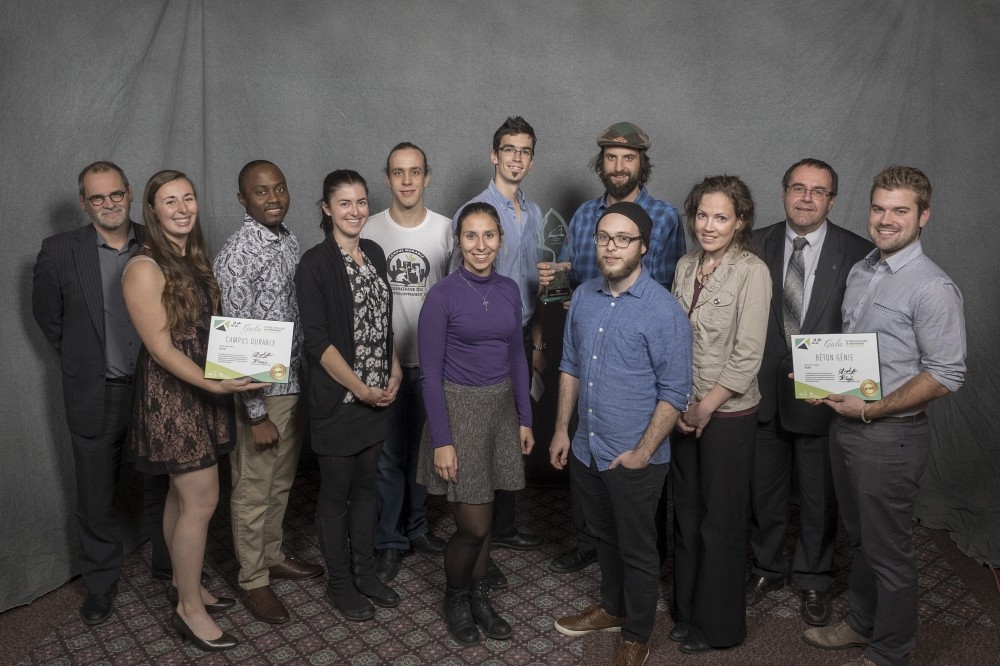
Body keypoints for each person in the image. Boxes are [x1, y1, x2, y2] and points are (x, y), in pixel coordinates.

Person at [802, 166, 966, 666]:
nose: (886, 219)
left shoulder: (932, 287)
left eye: (900, 210)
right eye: (878, 208)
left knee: (888, 550)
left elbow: (946, 374)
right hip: (848, 427)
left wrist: (871, 409)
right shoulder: (862, 270)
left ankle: (890, 652)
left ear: (923, 216)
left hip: (891, 438)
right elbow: (859, 357)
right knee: (862, 539)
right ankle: (862, 624)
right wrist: (821, 380)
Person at [123, 170, 266, 651]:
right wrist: (215, 384)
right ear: (152, 210)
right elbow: (161, 348)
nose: (182, 208)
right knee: (201, 502)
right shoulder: (144, 267)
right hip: (174, 397)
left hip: (203, 388)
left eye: (188, 198)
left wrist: (245, 361)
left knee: (180, 499)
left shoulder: (191, 256)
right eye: (170, 201)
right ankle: (189, 608)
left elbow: (209, 332)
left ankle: (181, 583)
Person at [540, 121, 687, 575]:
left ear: (642, 164)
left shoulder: (664, 216)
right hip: (587, 341)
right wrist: (554, 281)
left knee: (638, 470)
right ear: (600, 163)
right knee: (588, 451)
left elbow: (674, 286)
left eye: (629, 158)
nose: (619, 166)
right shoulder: (584, 216)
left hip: (637, 350)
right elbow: (571, 278)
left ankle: (643, 559)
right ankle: (590, 543)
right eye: (611, 157)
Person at [550, 202, 692, 666]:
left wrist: (642, 453)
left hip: (634, 457)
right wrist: (562, 430)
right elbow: (570, 364)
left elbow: (675, 392)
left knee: (637, 549)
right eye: (604, 237)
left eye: (623, 239)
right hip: (587, 447)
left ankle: (637, 633)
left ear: (644, 247)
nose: (611, 247)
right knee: (602, 537)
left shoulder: (664, 311)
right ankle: (612, 609)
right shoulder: (584, 296)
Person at [32, 161, 172, 625]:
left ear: (129, 193)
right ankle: (100, 585)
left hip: (157, 391)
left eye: (116, 194)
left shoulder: (157, 242)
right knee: (95, 497)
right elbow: (49, 319)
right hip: (97, 391)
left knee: (166, 486)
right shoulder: (58, 251)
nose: (109, 204)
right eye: (98, 197)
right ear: (83, 203)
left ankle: (172, 569)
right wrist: (86, 360)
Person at [747, 159, 872, 626]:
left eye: (818, 191)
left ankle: (814, 577)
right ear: (783, 192)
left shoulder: (858, 252)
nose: (806, 198)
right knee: (763, 492)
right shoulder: (752, 243)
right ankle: (765, 568)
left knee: (820, 498)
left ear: (832, 201)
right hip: (761, 389)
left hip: (824, 394)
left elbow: (864, 324)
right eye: (798, 188)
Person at [416, 202, 534, 647]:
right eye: (471, 236)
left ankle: (480, 597)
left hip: (500, 410)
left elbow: (517, 356)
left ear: (500, 239)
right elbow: (429, 374)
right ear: (459, 241)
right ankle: (456, 597)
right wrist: (442, 440)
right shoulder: (442, 295)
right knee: (475, 526)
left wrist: (525, 418)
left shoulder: (509, 289)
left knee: (486, 508)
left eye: (488, 235)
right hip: (458, 411)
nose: (480, 245)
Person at [213, 160, 323, 625]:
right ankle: (253, 579)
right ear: (243, 199)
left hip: (292, 382)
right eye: (261, 192)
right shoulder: (236, 255)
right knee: (253, 488)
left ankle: (272, 555)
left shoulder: (289, 239)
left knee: (280, 481)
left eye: (280, 188)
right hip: (261, 396)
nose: (273, 198)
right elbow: (235, 342)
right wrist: (255, 414)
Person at [295, 169, 402, 622]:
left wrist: (394, 366)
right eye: (344, 203)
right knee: (336, 493)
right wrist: (360, 389)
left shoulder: (374, 252)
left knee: (366, 489)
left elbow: (383, 319)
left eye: (360, 202)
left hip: (377, 396)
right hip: (341, 400)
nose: (355, 211)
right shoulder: (314, 264)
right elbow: (317, 341)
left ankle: (365, 573)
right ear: (326, 208)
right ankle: (339, 582)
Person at [670, 175, 771, 654]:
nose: (709, 226)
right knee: (686, 515)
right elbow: (675, 339)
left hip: (726, 414)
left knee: (722, 522)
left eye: (721, 217)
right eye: (702, 215)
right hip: (683, 410)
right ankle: (687, 612)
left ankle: (719, 628)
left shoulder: (753, 272)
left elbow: (748, 356)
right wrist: (680, 405)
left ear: (740, 222)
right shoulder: (685, 265)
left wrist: (705, 408)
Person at [452, 116, 545, 582]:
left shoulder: (537, 212)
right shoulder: (475, 211)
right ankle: (482, 532)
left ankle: (503, 527)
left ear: (531, 159)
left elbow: (535, 283)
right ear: (494, 155)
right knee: (482, 433)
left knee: (511, 431)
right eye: (509, 149)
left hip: (522, 333)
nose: (516, 158)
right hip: (482, 340)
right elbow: (457, 284)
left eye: (525, 151)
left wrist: (539, 340)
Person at [362, 143, 452, 583]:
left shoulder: (447, 230)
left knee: (423, 454)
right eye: (398, 172)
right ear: (388, 178)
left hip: (433, 364)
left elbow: (456, 297)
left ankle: (417, 528)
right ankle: (388, 540)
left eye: (415, 171)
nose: (407, 180)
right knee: (387, 458)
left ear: (427, 177)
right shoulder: (369, 229)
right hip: (385, 364)